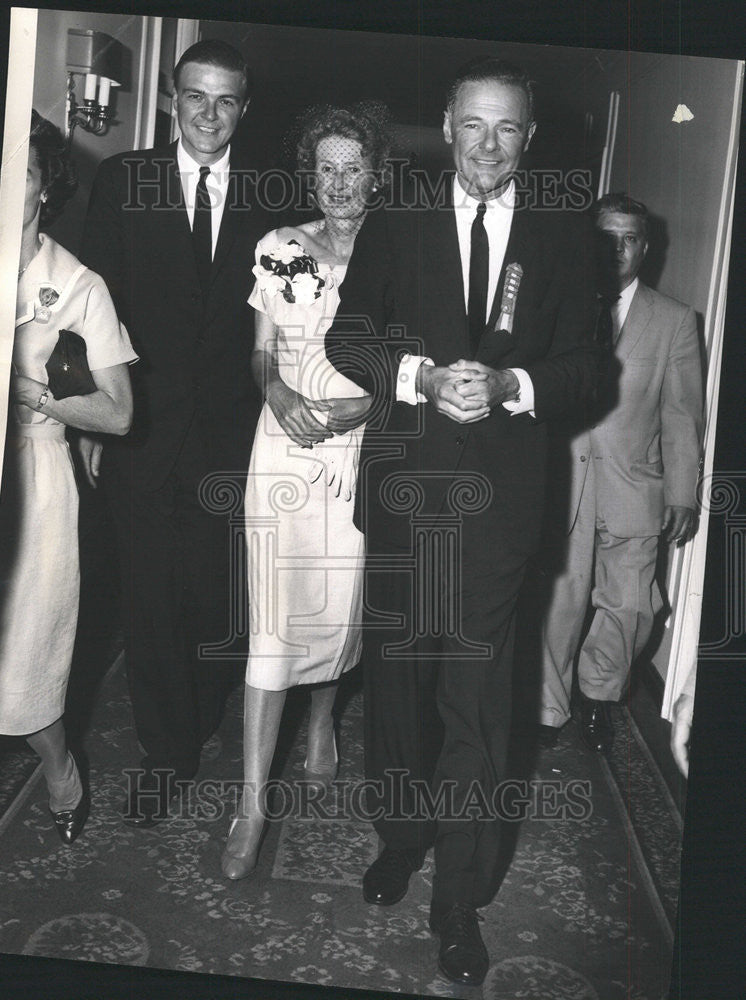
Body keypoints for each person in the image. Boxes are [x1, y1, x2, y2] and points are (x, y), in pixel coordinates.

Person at [325, 58, 597, 985]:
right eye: (473, 126)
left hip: (501, 512)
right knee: (399, 689)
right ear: (446, 126)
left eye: (507, 130)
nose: (489, 146)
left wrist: (516, 384)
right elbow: (349, 333)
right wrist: (420, 379)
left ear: (530, 138)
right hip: (405, 495)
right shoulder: (396, 219)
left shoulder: (567, 237)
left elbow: (590, 369)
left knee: (478, 706)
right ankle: (402, 837)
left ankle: (459, 896)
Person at [80, 40, 269, 826]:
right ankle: (168, 753)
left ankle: (203, 706)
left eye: (226, 101)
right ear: (170, 98)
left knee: (213, 596)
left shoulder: (272, 191)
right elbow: (89, 305)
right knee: (151, 597)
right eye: (196, 96)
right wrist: (92, 416)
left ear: (244, 110)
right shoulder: (126, 179)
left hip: (234, 435)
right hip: (142, 429)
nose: (209, 114)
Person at [220, 105, 388, 879]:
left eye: (354, 167)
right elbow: (262, 353)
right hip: (282, 448)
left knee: (335, 604)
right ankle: (251, 802)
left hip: (356, 453)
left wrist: (366, 404)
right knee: (274, 613)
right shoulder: (282, 248)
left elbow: (411, 363)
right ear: (309, 174)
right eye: (327, 168)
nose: (340, 182)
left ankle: (323, 716)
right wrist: (278, 395)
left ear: (377, 175)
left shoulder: (401, 251)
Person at [0, 110, 136, 845]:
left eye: (26, 173)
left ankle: (60, 768)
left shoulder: (77, 284)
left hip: (32, 479)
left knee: (21, 653)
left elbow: (119, 414)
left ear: (45, 187)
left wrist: (34, 393)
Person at [537, 194, 704, 753]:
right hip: (561, 483)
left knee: (630, 607)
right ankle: (547, 707)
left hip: (635, 485)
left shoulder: (676, 321)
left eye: (629, 238)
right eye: (606, 237)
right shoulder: (555, 304)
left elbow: (682, 416)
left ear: (645, 247)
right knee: (560, 602)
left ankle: (599, 697)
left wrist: (683, 491)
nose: (617, 249)